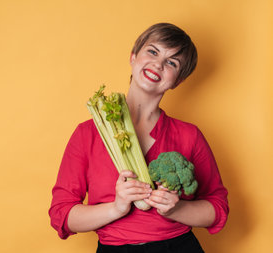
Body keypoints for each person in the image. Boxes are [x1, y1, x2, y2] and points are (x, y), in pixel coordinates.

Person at [49, 23, 229, 253]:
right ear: (133, 57)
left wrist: (176, 209)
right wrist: (116, 208)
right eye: (153, 52)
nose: (158, 64)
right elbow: (62, 214)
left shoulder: (189, 135)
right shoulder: (87, 134)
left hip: (179, 247)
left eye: (172, 62)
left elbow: (217, 207)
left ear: (178, 81)